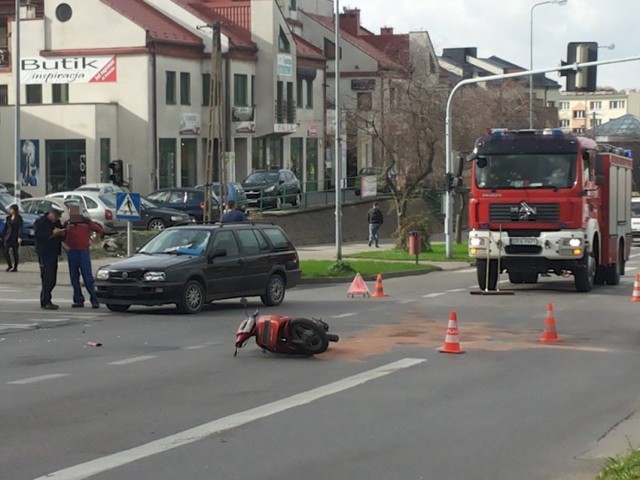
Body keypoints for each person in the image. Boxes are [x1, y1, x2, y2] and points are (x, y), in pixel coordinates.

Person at [64, 206, 104, 308]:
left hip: (83, 251)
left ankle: (94, 299)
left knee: (88, 277)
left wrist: (94, 241)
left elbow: (99, 230)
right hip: (72, 251)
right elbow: (62, 234)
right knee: (74, 277)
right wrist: (66, 246)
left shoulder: (86, 222)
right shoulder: (68, 223)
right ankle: (78, 300)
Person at [34, 205, 66, 310]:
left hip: (53, 253)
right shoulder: (41, 222)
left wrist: (62, 233)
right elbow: (40, 236)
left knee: (52, 278)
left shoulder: (56, 223)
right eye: (56, 215)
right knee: (47, 278)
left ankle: (47, 299)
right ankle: (45, 301)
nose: (57, 218)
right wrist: (52, 233)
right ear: (50, 213)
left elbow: (62, 235)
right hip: (44, 253)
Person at [2, 204, 23, 272]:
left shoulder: (19, 218)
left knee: (15, 252)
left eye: (11, 209)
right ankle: (9, 265)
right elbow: (6, 227)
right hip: (8, 237)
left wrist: (19, 236)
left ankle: (15, 267)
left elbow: (20, 227)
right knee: (5, 251)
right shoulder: (8, 217)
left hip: (15, 237)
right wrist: (2, 236)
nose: (10, 210)